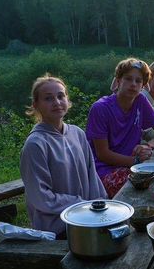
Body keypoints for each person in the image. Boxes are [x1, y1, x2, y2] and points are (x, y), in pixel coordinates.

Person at [20, 74, 108, 239]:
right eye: (48, 98)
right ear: (36, 105)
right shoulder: (35, 144)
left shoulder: (77, 133)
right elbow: (40, 197)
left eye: (61, 96)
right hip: (57, 227)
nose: (57, 102)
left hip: (87, 216)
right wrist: (79, 204)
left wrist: (101, 205)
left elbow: (92, 176)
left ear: (67, 100)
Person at [86, 58, 154, 197]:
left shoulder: (140, 101)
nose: (133, 84)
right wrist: (135, 161)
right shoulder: (100, 108)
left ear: (143, 86)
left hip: (132, 166)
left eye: (138, 81)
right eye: (128, 79)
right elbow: (103, 154)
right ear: (118, 81)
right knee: (149, 189)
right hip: (103, 172)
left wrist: (148, 146)